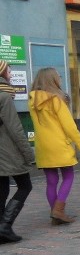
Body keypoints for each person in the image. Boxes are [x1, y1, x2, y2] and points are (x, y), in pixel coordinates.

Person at [28, 68, 80, 224]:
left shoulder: (32, 100)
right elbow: (69, 126)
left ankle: (55, 213)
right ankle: (58, 211)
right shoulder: (56, 99)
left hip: (43, 146)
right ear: (52, 80)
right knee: (68, 176)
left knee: (51, 180)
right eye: (58, 77)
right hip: (60, 144)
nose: (60, 79)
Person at [0, 60, 36, 243]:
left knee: (2, 189)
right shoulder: (4, 97)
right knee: (25, 185)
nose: (11, 72)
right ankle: (4, 226)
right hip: (7, 152)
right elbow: (15, 130)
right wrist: (29, 154)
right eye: (8, 69)